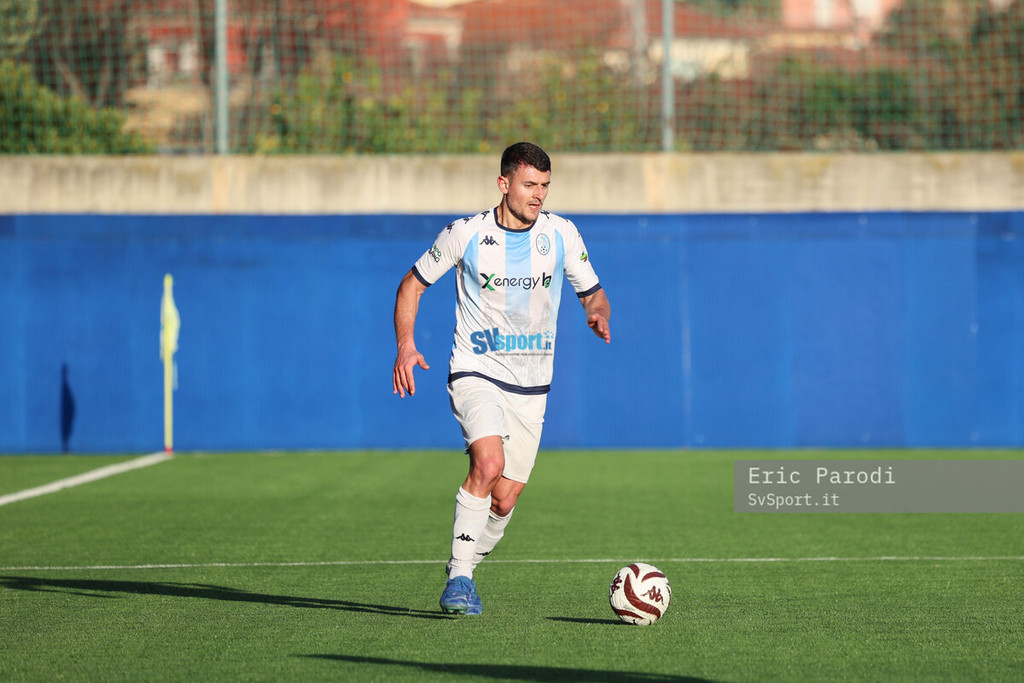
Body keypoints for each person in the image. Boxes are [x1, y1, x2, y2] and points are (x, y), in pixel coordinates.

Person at [392, 141, 611, 615]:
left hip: (532, 385)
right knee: (488, 464)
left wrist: (597, 313)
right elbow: (411, 285)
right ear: (503, 183)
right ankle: (460, 578)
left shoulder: (561, 234)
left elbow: (593, 292)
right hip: (476, 370)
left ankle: (465, 563)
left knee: (505, 500)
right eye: (530, 185)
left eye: (545, 186)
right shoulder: (465, 233)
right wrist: (406, 345)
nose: (539, 195)